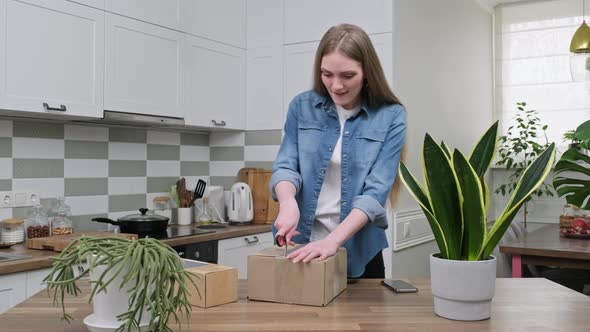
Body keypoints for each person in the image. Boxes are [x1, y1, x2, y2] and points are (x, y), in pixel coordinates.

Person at [270, 23, 407, 278]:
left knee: (362, 318)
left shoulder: (391, 116)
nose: (336, 86)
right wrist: (288, 203)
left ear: (367, 72)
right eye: (326, 74)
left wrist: (333, 241)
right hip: (302, 244)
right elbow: (286, 167)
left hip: (359, 251)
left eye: (347, 75)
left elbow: (374, 194)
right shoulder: (301, 106)